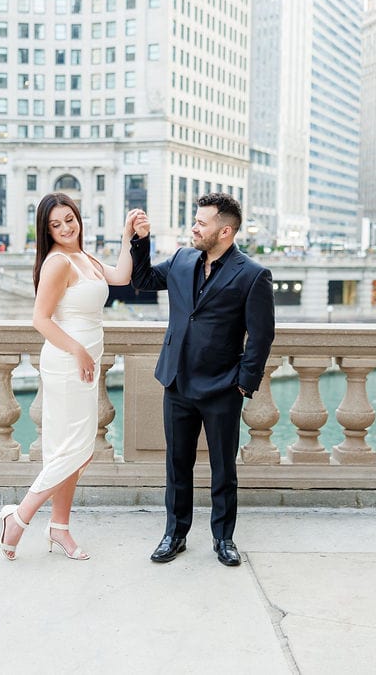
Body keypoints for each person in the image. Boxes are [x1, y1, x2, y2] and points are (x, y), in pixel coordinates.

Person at [130, 192, 275, 567]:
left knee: (223, 469)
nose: (194, 227)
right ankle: (174, 534)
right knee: (177, 465)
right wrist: (140, 240)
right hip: (176, 382)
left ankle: (223, 538)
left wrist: (244, 382)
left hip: (222, 387)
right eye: (195, 221)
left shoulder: (253, 275)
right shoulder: (180, 259)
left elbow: (261, 336)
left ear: (225, 231)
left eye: (201, 223)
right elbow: (143, 279)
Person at [0, 192, 141, 561]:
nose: (64, 228)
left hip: (85, 361)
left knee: (71, 450)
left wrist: (127, 237)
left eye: (69, 219)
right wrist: (77, 350)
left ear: (78, 218)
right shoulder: (57, 263)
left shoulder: (84, 257)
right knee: (77, 450)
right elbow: (40, 319)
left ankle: (59, 527)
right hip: (68, 362)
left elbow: (122, 276)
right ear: (46, 230)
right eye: (55, 225)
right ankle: (20, 517)